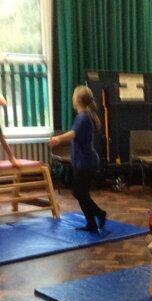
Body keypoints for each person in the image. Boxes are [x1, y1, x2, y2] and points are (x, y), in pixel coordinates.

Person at [49, 85, 106, 232]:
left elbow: (73, 133)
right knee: (80, 193)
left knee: (80, 193)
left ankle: (99, 215)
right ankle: (93, 221)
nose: (72, 99)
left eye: (74, 96)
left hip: (86, 162)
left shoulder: (83, 117)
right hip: (84, 161)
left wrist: (58, 139)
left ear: (77, 100)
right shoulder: (84, 115)